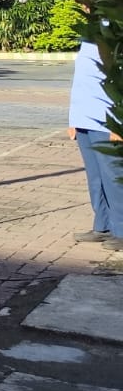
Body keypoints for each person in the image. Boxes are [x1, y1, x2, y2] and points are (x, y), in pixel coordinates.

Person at [69, 39, 123, 251]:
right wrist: (73, 119)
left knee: (113, 177)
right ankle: (103, 225)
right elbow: (82, 80)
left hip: (106, 121)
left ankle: (121, 230)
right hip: (84, 118)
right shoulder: (88, 38)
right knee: (96, 178)